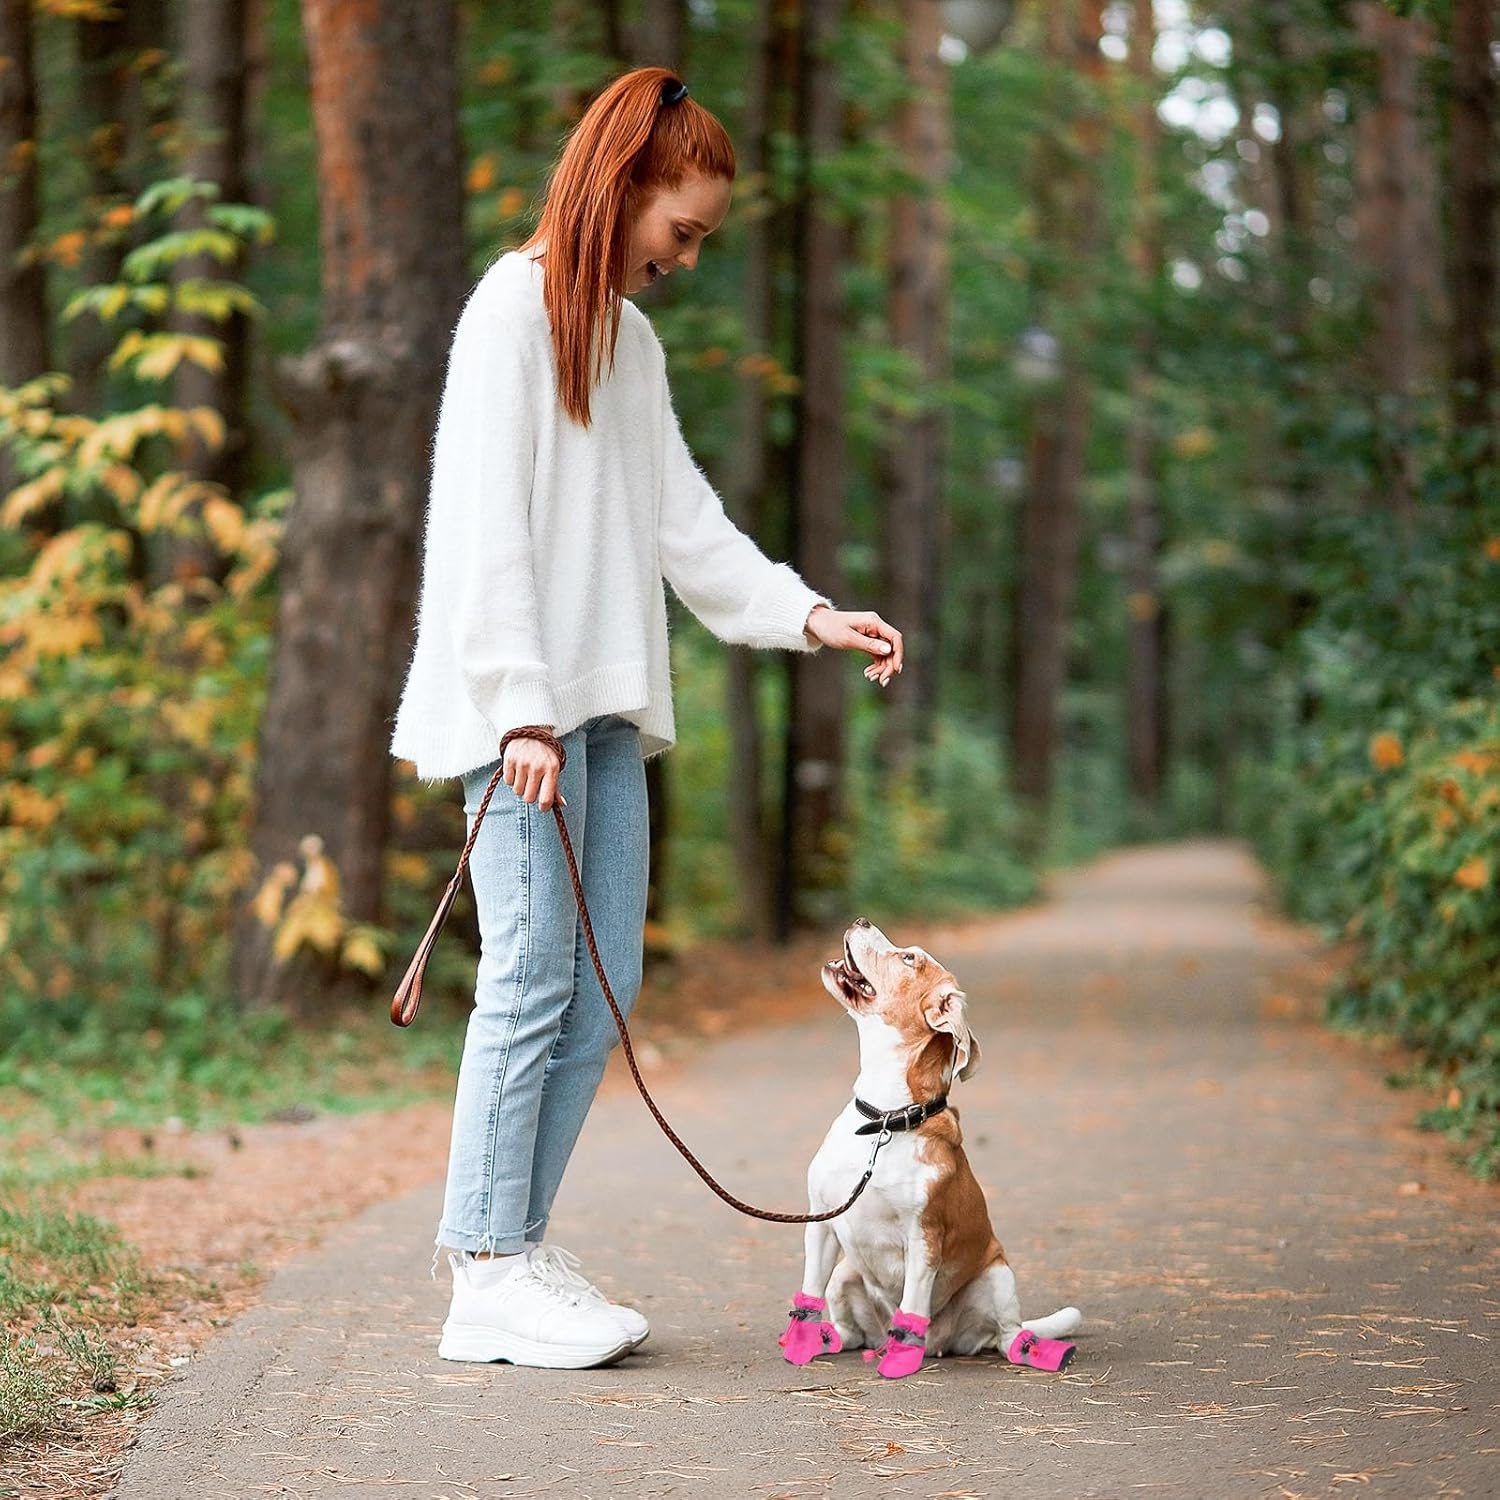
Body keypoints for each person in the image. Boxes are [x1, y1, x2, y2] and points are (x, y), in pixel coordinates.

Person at [389, 66, 903, 1371]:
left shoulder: (630, 343)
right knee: (528, 976)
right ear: (620, 188)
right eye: (684, 228)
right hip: (525, 725)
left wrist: (808, 615)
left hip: (602, 719)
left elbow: (686, 526)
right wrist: (519, 709)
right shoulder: (511, 311)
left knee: (598, 987)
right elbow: (485, 528)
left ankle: (516, 1240)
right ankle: (486, 1266)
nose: (688, 256)